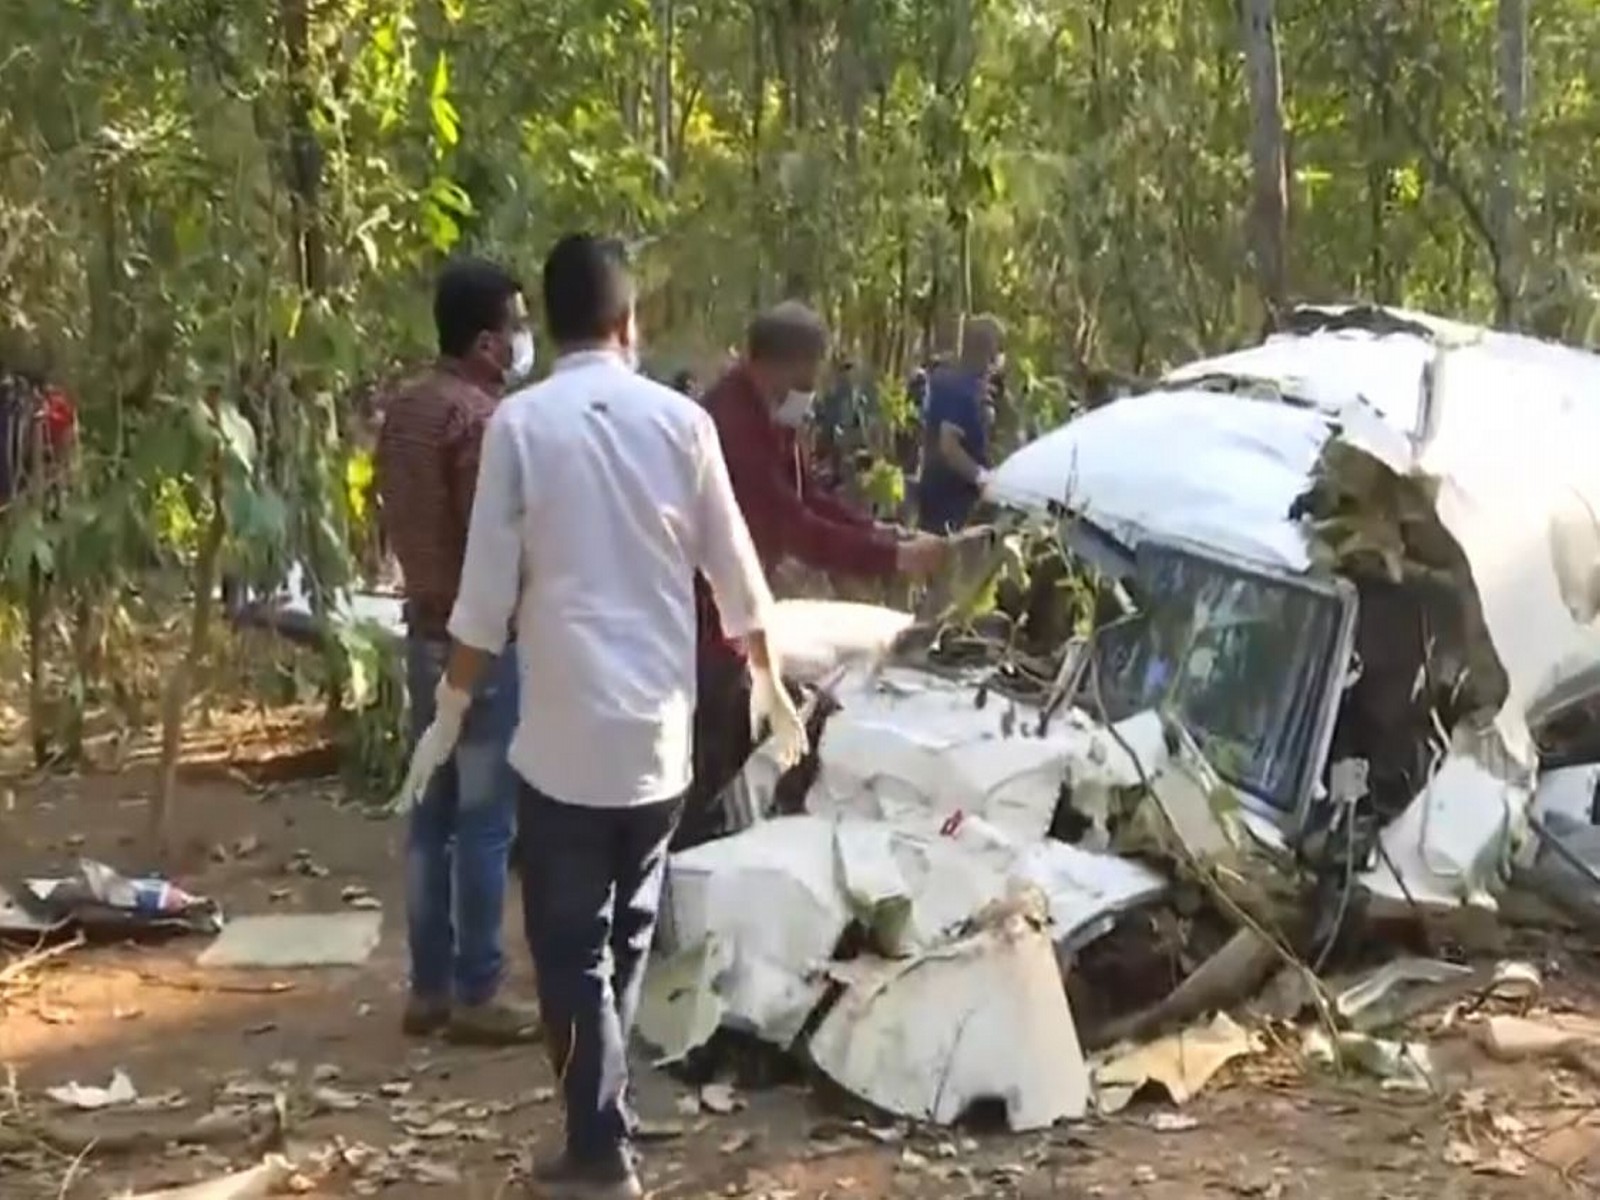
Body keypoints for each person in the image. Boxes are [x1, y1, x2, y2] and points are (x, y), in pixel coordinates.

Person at [393, 235, 803, 1200]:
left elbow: (484, 602)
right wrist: (775, 691)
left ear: (553, 320)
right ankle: (602, 1117)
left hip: (563, 740)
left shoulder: (520, 426)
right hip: (658, 740)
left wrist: (447, 716)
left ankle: (599, 1149)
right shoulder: (683, 423)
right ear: (627, 321)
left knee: (570, 949)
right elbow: (739, 581)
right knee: (624, 936)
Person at [684, 302, 948, 847]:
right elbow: (792, 525)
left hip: (735, 610)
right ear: (780, 366)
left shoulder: (770, 417)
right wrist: (892, 558)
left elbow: (811, 496)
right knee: (709, 754)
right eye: (807, 378)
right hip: (706, 614)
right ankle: (692, 857)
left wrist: (884, 534)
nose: (811, 390)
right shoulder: (732, 427)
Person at [375, 258, 538, 1047]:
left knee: (430, 816)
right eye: (516, 326)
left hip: (423, 632)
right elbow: (492, 538)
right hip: (482, 644)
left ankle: (429, 988)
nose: (523, 340)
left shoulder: (406, 410)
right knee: (484, 822)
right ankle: (479, 988)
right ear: (486, 342)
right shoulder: (482, 421)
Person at [917, 315, 1005, 533]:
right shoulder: (957, 387)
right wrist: (981, 478)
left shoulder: (971, 387)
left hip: (959, 499)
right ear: (989, 351)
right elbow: (949, 445)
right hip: (948, 502)